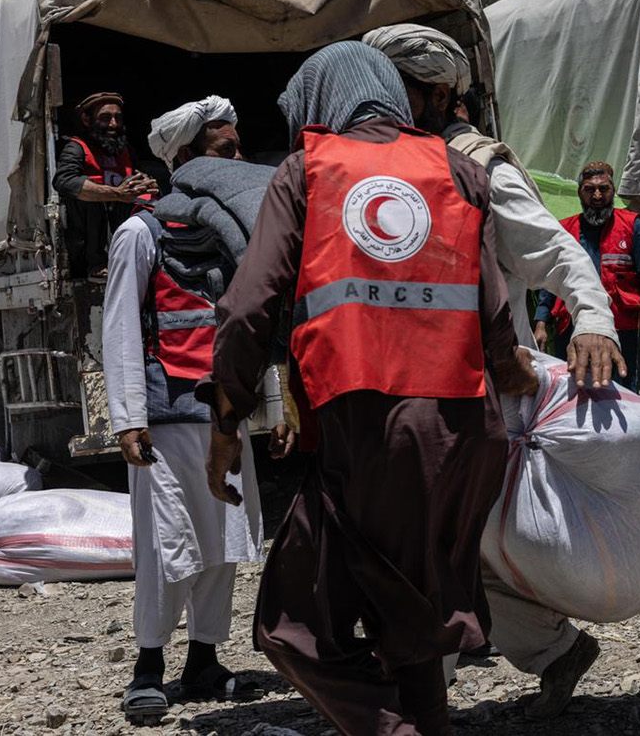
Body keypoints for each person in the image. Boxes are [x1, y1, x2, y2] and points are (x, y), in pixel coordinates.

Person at [205, 41, 539, 736]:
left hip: (370, 431)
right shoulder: (458, 170)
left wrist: (227, 418)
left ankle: (393, 729)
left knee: (286, 627)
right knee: (410, 619)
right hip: (464, 434)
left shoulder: (308, 172)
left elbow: (244, 310)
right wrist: (520, 382)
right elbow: (496, 315)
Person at [364, 23, 621, 718]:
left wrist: (592, 317)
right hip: (406, 388)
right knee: (460, 550)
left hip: (480, 395)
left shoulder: (479, 163)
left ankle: (422, 703)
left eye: (390, 89)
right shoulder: (376, 169)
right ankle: (551, 651)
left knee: (434, 547)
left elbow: (554, 251)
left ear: (432, 93)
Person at [103, 96, 292, 723]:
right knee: (166, 543)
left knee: (224, 537)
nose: (237, 162)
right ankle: (148, 667)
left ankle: (204, 662)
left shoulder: (237, 234)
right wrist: (128, 416)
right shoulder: (141, 231)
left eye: (239, 150)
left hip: (225, 418)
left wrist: (279, 403)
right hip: (162, 419)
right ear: (184, 160)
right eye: (224, 152)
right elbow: (123, 328)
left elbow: (258, 325)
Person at [534, 161, 640, 392]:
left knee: (621, 393)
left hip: (621, 329)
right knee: (573, 392)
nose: (597, 195)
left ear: (612, 191)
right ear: (580, 192)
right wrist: (540, 322)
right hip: (571, 327)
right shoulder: (565, 230)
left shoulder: (633, 226)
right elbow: (552, 280)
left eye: (603, 189)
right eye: (590, 189)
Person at [53, 92, 159, 282]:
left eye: (117, 118)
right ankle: (98, 264)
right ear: (87, 120)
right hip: (89, 234)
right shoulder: (76, 148)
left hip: (121, 221)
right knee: (88, 192)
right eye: (105, 118)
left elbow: (138, 179)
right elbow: (64, 182)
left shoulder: (125, 150)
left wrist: (146, 184)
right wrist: (116, 193)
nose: (113, 124)